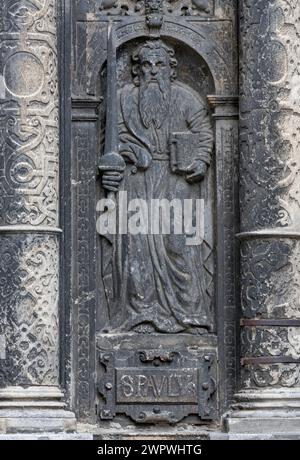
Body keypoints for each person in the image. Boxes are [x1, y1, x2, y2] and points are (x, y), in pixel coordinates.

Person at [100, 39, 214, 333]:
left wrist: (200, 163)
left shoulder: (186, 98)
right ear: (137, 71)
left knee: (178, 245)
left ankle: (190, 315)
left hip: (177, 182)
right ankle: (142, 314)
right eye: (147, 65)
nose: (153, 71)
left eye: (159, 65)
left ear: (170, 70)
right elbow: (111, 142)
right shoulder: (124, 98)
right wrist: (118, 162)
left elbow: (204, 135)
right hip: (136, 181)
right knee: (136, 248)